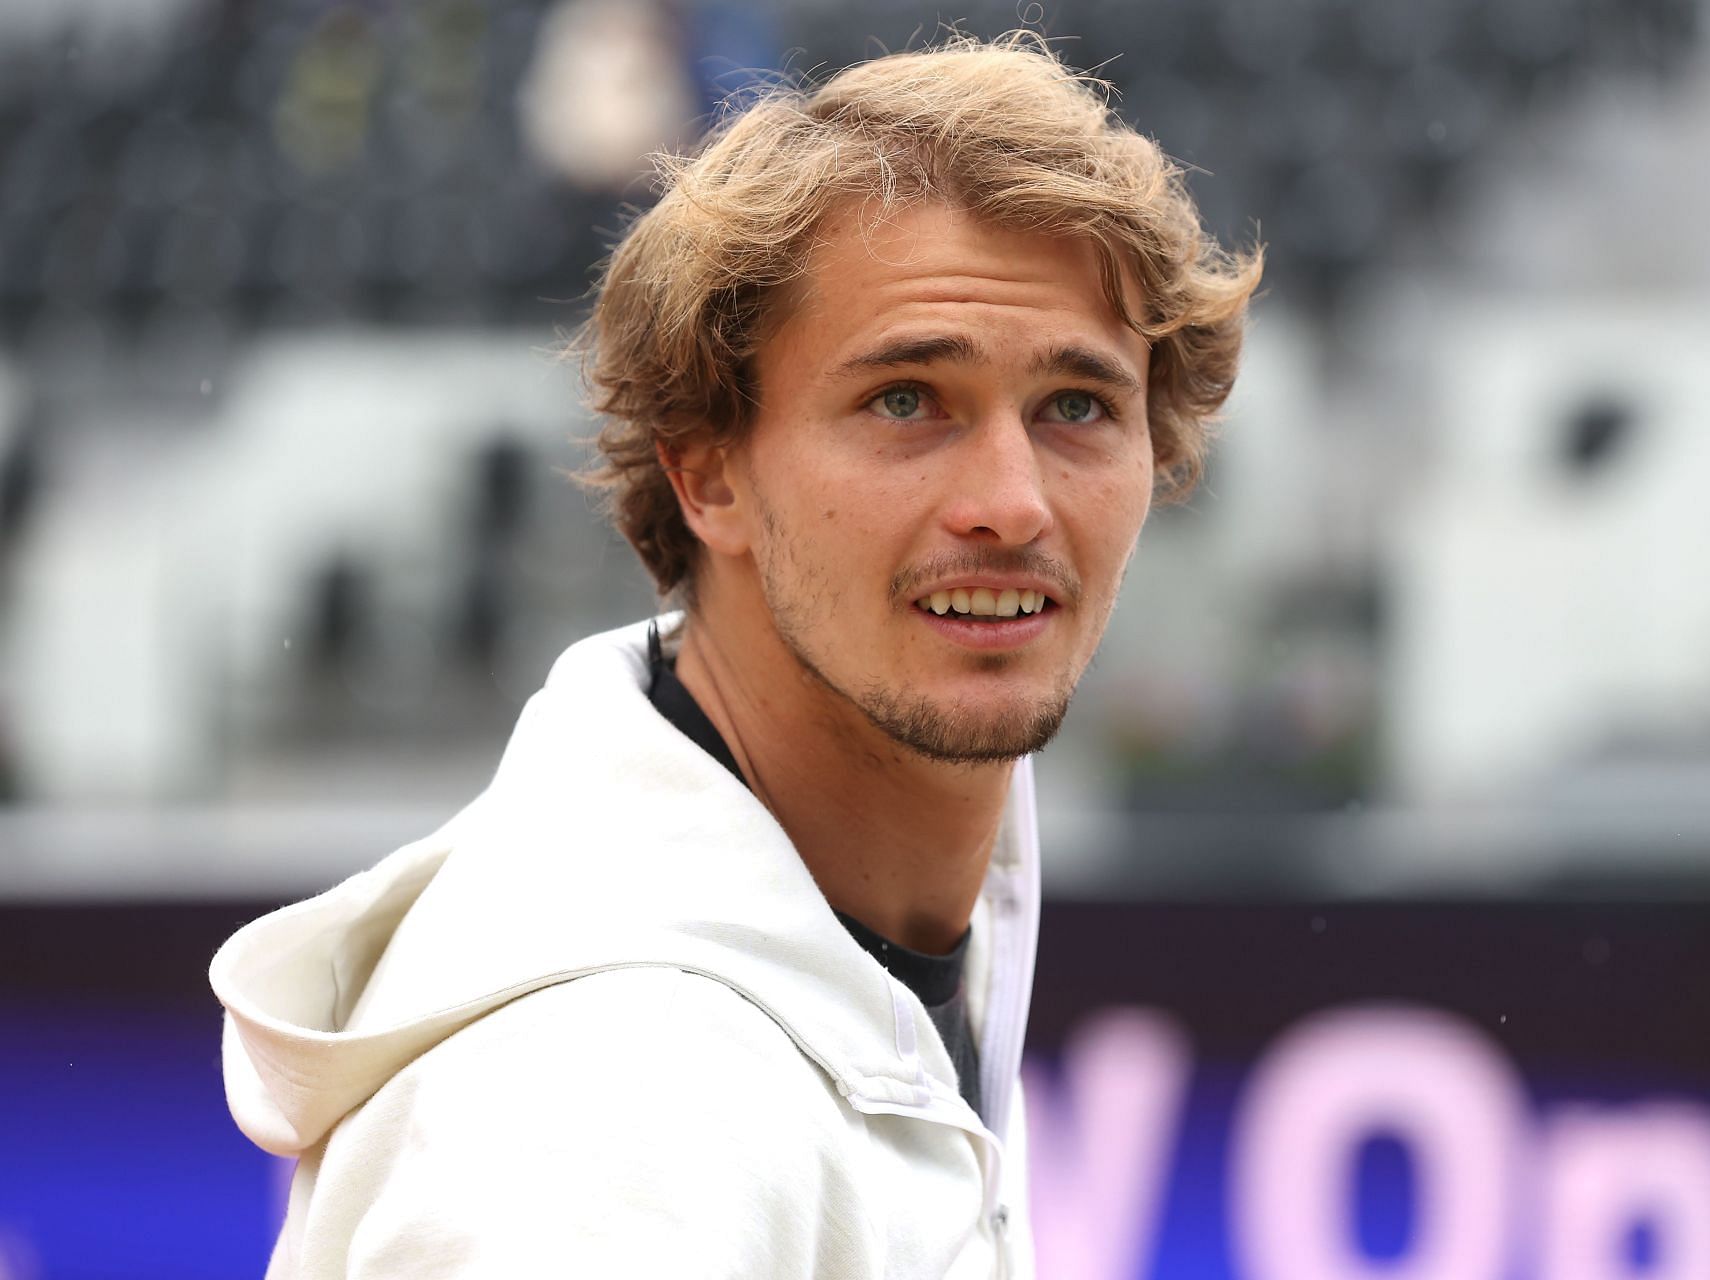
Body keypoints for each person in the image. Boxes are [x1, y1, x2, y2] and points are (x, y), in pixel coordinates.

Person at [210, 32, 1259, 1279]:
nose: (1012, 501)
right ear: (706, 469)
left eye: (1077, 407)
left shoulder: (878, 932)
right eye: (907, 399)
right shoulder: (604, 1117)